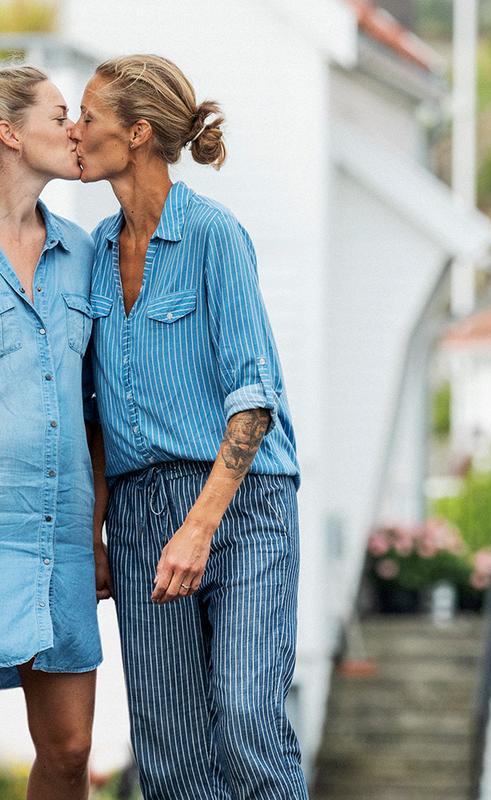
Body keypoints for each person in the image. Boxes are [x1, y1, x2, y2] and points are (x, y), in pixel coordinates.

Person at [71, 54, 309, 799]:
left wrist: (200, 527)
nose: (74, 132)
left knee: (244, 720)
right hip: (141, 518)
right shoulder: (95, 256)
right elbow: (99, 415)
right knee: (170, 756)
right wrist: (99, 534)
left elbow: (255, 399)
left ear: (138, 133)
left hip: (241, 509)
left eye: (88, 117)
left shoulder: (214, 237)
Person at [0, 65, 105, 800]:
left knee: (69, 751)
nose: (77, 131)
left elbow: (98, 407)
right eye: (61, 114)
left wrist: (96, 530)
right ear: (9, 131)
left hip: (60, 534)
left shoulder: (85, 255)